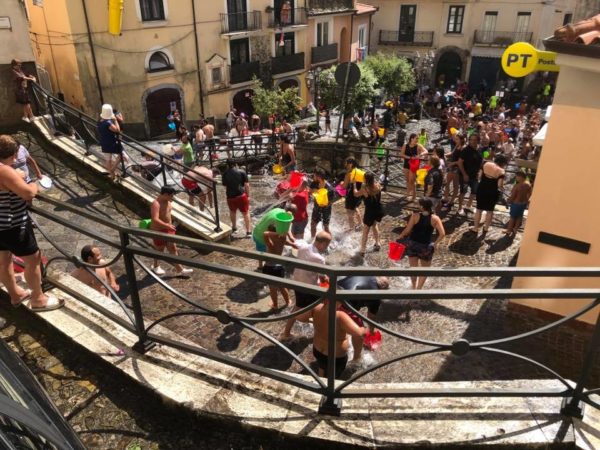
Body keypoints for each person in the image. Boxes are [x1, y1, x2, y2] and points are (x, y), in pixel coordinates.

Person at [0, 135, 62, 311]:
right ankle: (38, 299)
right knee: (33, 260)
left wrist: (16, 175)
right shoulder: (4, 171)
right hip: (13, 224)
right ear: (13, 154)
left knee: (3, 260)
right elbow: (27, 193)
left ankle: (15, 294)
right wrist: (35, 184)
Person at [296, 293, 367, 378]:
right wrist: (366, 329)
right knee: (334, 376)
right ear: (339, 303)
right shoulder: (340, 316)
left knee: (321, 364)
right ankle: (331, 384)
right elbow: (359, 333)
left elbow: (298, 317)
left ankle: (321, 377)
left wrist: (313, 319)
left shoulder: (316, 308)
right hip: (335, 356)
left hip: (318, 350)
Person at [281, 231, 332, 340]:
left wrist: (285, 235)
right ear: (323, 244)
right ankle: (320, 335)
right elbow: (322, 278)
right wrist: (329, 279)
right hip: (309, 288)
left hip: (298, 282)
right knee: (318, 309)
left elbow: (291, 242)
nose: (326, 248)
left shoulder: (303, 245)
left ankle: (286, 333)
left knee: (297, 307)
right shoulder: (319, 258)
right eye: (327, 245)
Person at [337, 276, 390, 362]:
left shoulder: (367, 275)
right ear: (382, 290)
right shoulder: (376, 297)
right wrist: (371, 333)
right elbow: (371, 318)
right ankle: (356, 359)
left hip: (333, 292)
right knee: (360, 332)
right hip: (345, 305)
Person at [396, 198, 446, 290]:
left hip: (412, 245)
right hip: (425, 247)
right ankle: (418, 289)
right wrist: (435, 244)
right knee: (424, 270)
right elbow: (442, 234)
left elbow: (407, 230)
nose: (417, 206)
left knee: (413, 269)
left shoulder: (415, 216)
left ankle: (413, 287)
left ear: (422, 207)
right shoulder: (435, 218)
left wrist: (400, 236)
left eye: (419, 204)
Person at [150, 185, 193, 276]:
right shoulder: (156, 204)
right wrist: (166, 225)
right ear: (165, 194)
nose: (173, 197)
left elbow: (167, 214)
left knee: (173, 248)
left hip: (169, 229)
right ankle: (155, 266)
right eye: (172, 195)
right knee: (160, 250)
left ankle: (179, 270)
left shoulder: (168, 201)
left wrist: (170, 224)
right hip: (159, 230)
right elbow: (155, 219)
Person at [471, 154, 507, 234]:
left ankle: (475, 228)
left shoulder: (486, 164)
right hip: (492, 192)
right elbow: (499, 185)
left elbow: (479, 176)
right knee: (490, 211)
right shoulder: (501, 171)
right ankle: (486, 228)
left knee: (479, 209)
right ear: (503, 163)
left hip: (482, 189)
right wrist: (503, 188)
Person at [263, 224, 296, 310]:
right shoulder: (282, 239)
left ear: (271, 233)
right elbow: (286, 242)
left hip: (270, 267)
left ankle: (275, 305)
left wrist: (273, 233)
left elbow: (265, 234)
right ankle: (288, 301)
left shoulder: (270, 243)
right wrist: (292, 244)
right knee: (281, 286)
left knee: (272, 288)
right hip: (279, 267)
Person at [354, 172, 384, 256]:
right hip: (378, 209)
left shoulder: (365, 189)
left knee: (366, 231)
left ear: (366, 180)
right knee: (374, 224)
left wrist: (354, 185)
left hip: (370, 212)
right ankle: (377, 243)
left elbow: (356, 194)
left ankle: (362, 250)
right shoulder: (378, 185)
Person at [457, 134, 483, 216]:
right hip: (465, 175)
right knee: (463, 192)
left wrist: (480, 172)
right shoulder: (466, 150)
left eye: (475, 140)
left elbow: (481, 162)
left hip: (475, 175)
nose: (473, 141)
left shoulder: (479, 149)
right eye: (471, 139)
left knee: (474, 191)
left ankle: (468, 205)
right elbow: (460, 162)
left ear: (478, 140)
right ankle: (460, 208)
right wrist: (464, 174)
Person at [222, 160, 251, 235]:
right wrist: (248, 195)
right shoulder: (242, 172)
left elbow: (225, 186)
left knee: (232, 212)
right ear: (236, 164)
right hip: (241, 195)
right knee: (246, 213)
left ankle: (234, 228)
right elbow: (247, 185)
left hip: (230, 196)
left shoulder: (224, 173)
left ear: (227, 165)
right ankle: (248, 232)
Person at [97, 104, 123, 181]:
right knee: (121, 155)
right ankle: (112, 169)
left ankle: (112, 175)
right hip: (111, 142)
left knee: (108, 159)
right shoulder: (108, 123)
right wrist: (115, 120)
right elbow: (117, 130)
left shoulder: (99, 122)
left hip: (103, 142)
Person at [400, 133, 427, 202]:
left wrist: (420, 155)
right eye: (416, 138)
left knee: (412, 181)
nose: (417, 140)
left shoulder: (418, 146)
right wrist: (409, 157)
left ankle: (414, 196)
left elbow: (426, 151)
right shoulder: (405, 145)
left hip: (414, 165)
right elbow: (401, 154)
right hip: (406, 164)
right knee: (407, 180)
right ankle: (408, 193)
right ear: (411, 139)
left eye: (418, 138)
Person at [340, 158, 364, 232]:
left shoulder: (349, 173)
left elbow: (344, 186)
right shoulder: (359, 171)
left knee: (349, 212)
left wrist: (341, 183)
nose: (345, 165)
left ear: (350, 164)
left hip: (351, 194)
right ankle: (361, 224)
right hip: (359, 193)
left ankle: (351, 229)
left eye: (346, 163)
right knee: (355, 207)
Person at [505, 171, 531, 236]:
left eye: (517, 176)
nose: (516, 178)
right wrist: (527, 202)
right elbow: (529, 195)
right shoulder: (528, 184)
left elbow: (513, 196)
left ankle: (508, 231)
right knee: (519, 217)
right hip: (523, 204)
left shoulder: (517, 186)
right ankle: (515, 229)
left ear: (521, 177)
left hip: (516, 204)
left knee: (512, 218)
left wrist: (508, 202)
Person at [310, 169, 334, 237]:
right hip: (316, 208)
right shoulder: (314, 183)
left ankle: (329, 240)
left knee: (325, 227)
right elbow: (310, 191)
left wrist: (326, 204)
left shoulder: (329, 188)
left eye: (314, 175)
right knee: (313, 225)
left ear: (319, 177)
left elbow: (331, 201)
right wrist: (313, 191)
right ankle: (312, 239)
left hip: (326, 209)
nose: (313, 176)